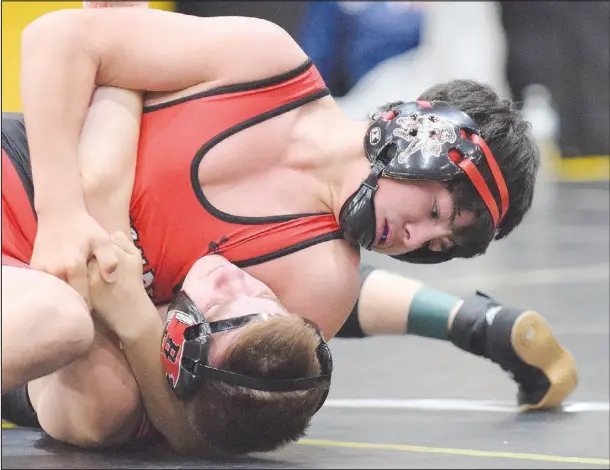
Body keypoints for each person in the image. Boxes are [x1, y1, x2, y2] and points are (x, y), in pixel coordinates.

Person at [2, 1, 577, 451]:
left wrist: (114, 123)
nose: (415, 241)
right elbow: (56, 41)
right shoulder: (263, 63)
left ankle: (473, 321)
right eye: (433, 215)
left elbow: (203, 415)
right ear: (417, 138)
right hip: (18, 184)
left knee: (78, 355)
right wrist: (63, 213)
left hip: (48, 305)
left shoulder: (323, 279)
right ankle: (474, 322)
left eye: (439, 246)